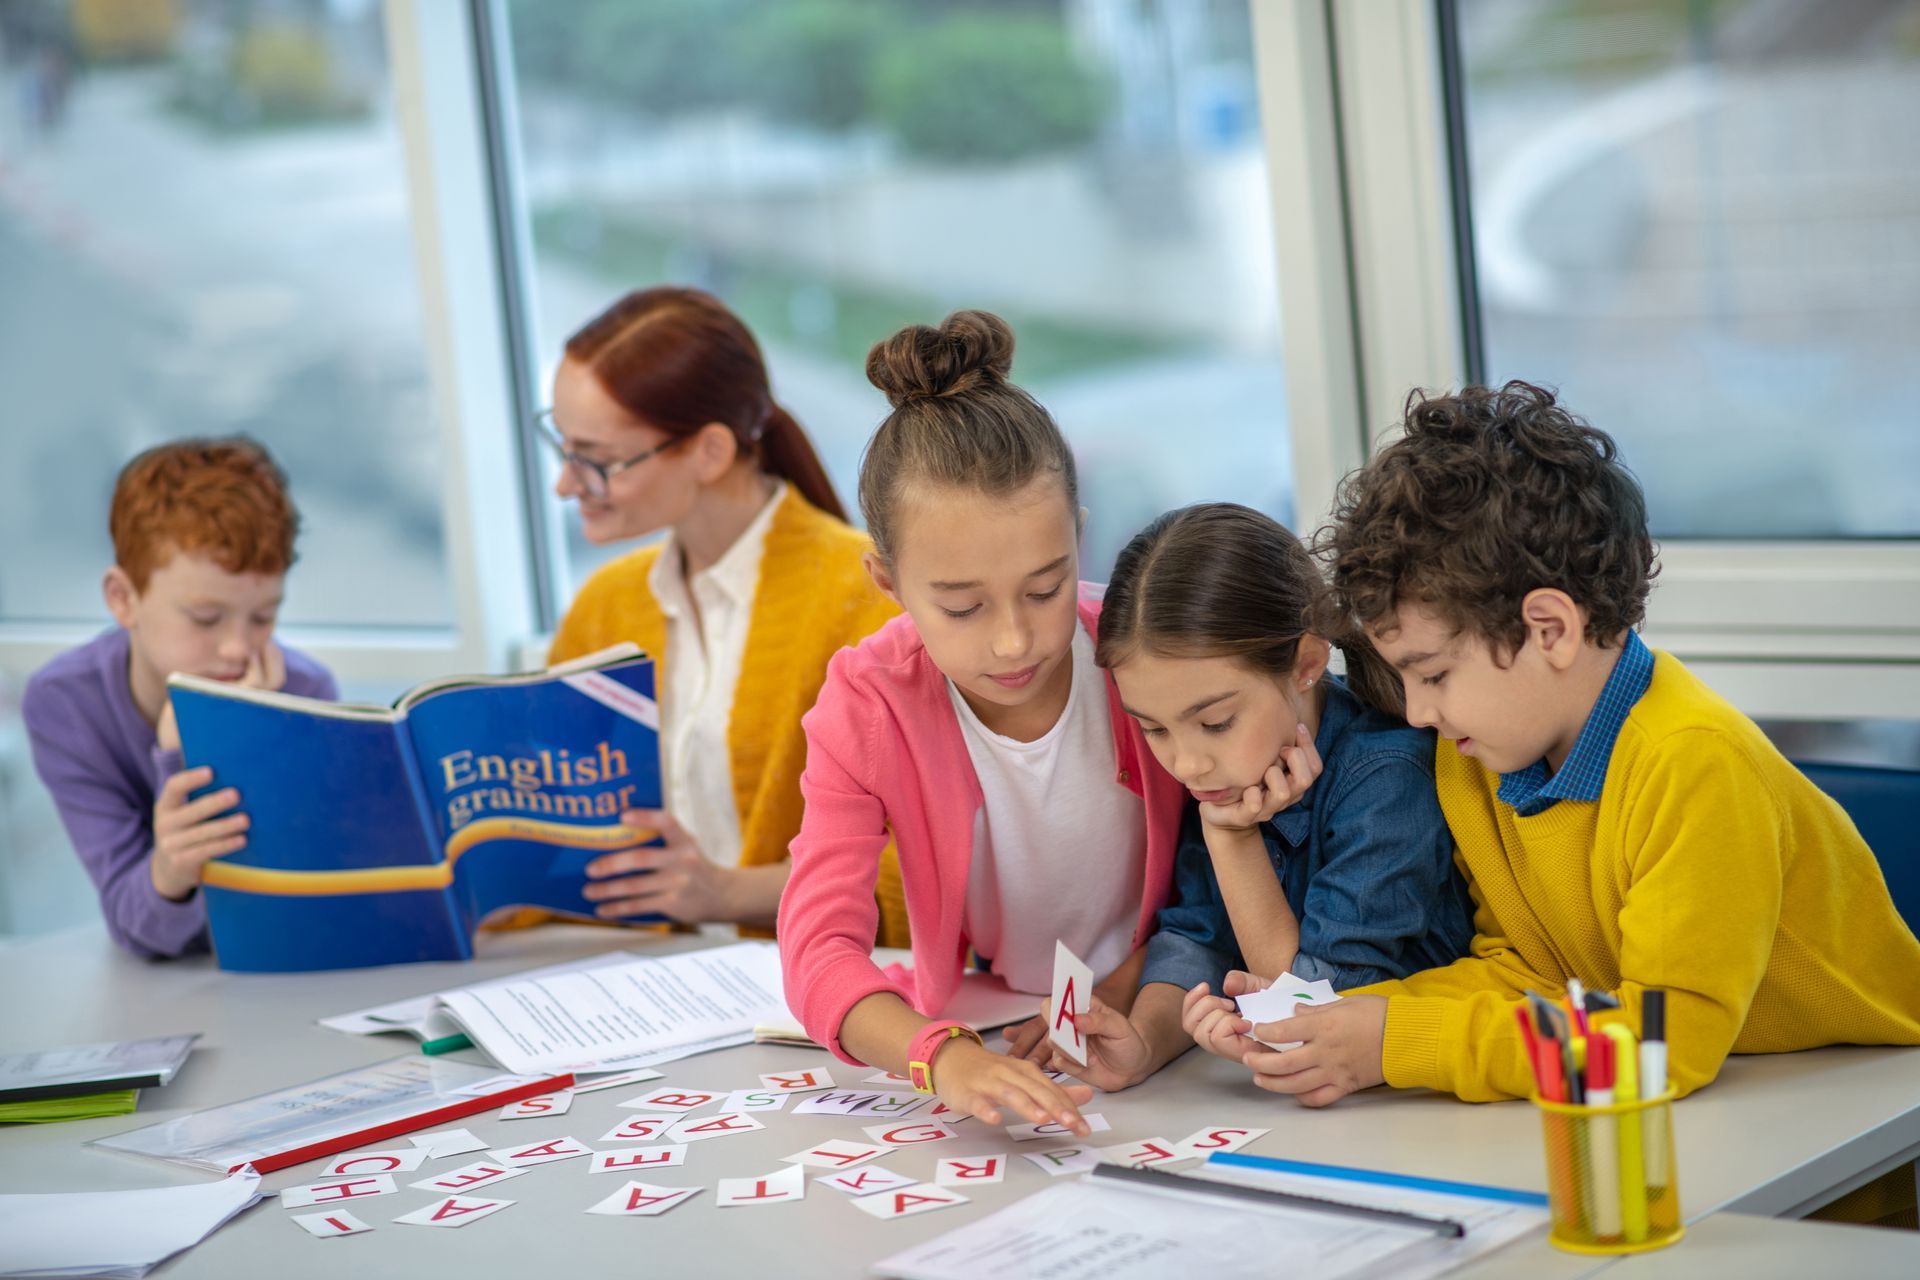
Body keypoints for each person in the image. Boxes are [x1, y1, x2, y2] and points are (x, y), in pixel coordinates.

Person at [1235, 381, 1920, 1113]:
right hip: (1736, 1100)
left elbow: (1660, 1047)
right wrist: (1333, 1026)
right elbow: (1528, 969)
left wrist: (1400, 1042)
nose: (1419, 711)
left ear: (1550, 629)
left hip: (1869, 1109)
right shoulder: (1481, 754)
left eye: (1432, 673)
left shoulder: (1694, 762)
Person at [778, 309, 1187, 1133]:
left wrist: (1125, 996)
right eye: (961, 606)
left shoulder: (1149, 650)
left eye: (1046, 588)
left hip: (1175, 1012)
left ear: (1079, 535)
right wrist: (944, 1055)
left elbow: (1233, 869)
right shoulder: (867, 704)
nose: (1013, 639)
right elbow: (817, 951)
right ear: (887, 581)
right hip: (992, 1029)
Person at [1049, 502, 1473, 1090]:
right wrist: (1144, 1044)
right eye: (1154, 728)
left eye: (1217, 721)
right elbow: (1197, 935)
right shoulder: (1231, 771)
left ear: (1305, 663)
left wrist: (1231, 838)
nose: (1187, 762)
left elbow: (1315, 1011)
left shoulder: (1388, 775)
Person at [543, 286, 905, 941]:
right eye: (563, 447)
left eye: (595, 459)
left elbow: (922, 868)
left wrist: (724, 893)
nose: (566, 484)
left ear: (710, 452)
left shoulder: (869, 597)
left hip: (811, 998)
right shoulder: (606, 605)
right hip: (638, 985)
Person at [23, 437, 336, 957]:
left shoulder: (306, 691)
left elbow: (295, 915)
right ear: (124, 600)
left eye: (264, 617)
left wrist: (249, 736)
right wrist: (172, 851)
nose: (239, 647)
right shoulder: (63, 705)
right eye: (205, 618)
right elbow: (143, 933)